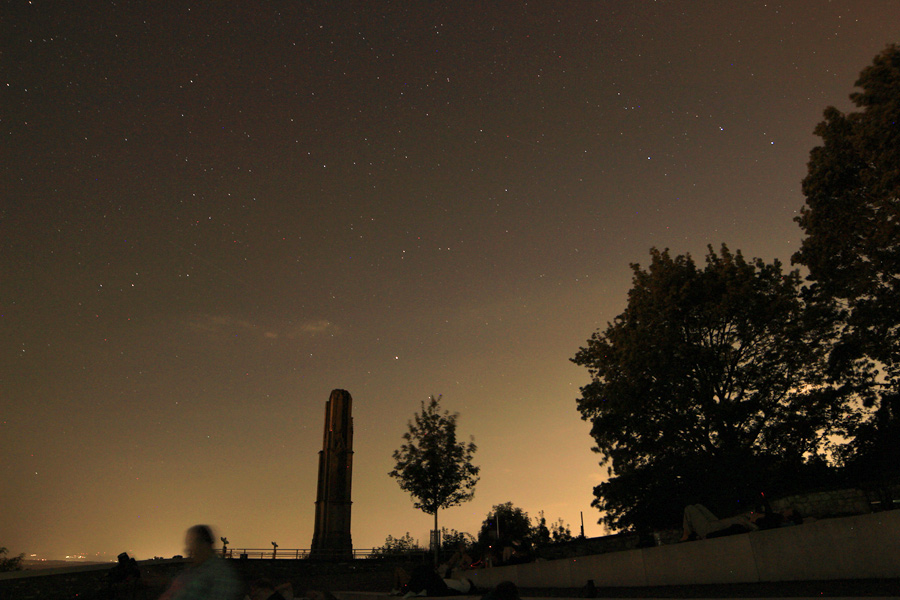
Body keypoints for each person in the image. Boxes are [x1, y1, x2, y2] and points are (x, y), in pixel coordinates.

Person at [158, 525, 242, 600]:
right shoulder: (194, 571)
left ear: (204, 544)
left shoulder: (220, 574)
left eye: (191, 544)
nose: (188, 550)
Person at [680, 504, 757, 541]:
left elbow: (755, 528)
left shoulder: (744, 522)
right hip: (715, 525)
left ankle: (686, 533)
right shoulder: (742, 519)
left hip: (708, 531)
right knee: (698, 506)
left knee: (689, 508)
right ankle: (687, 533)